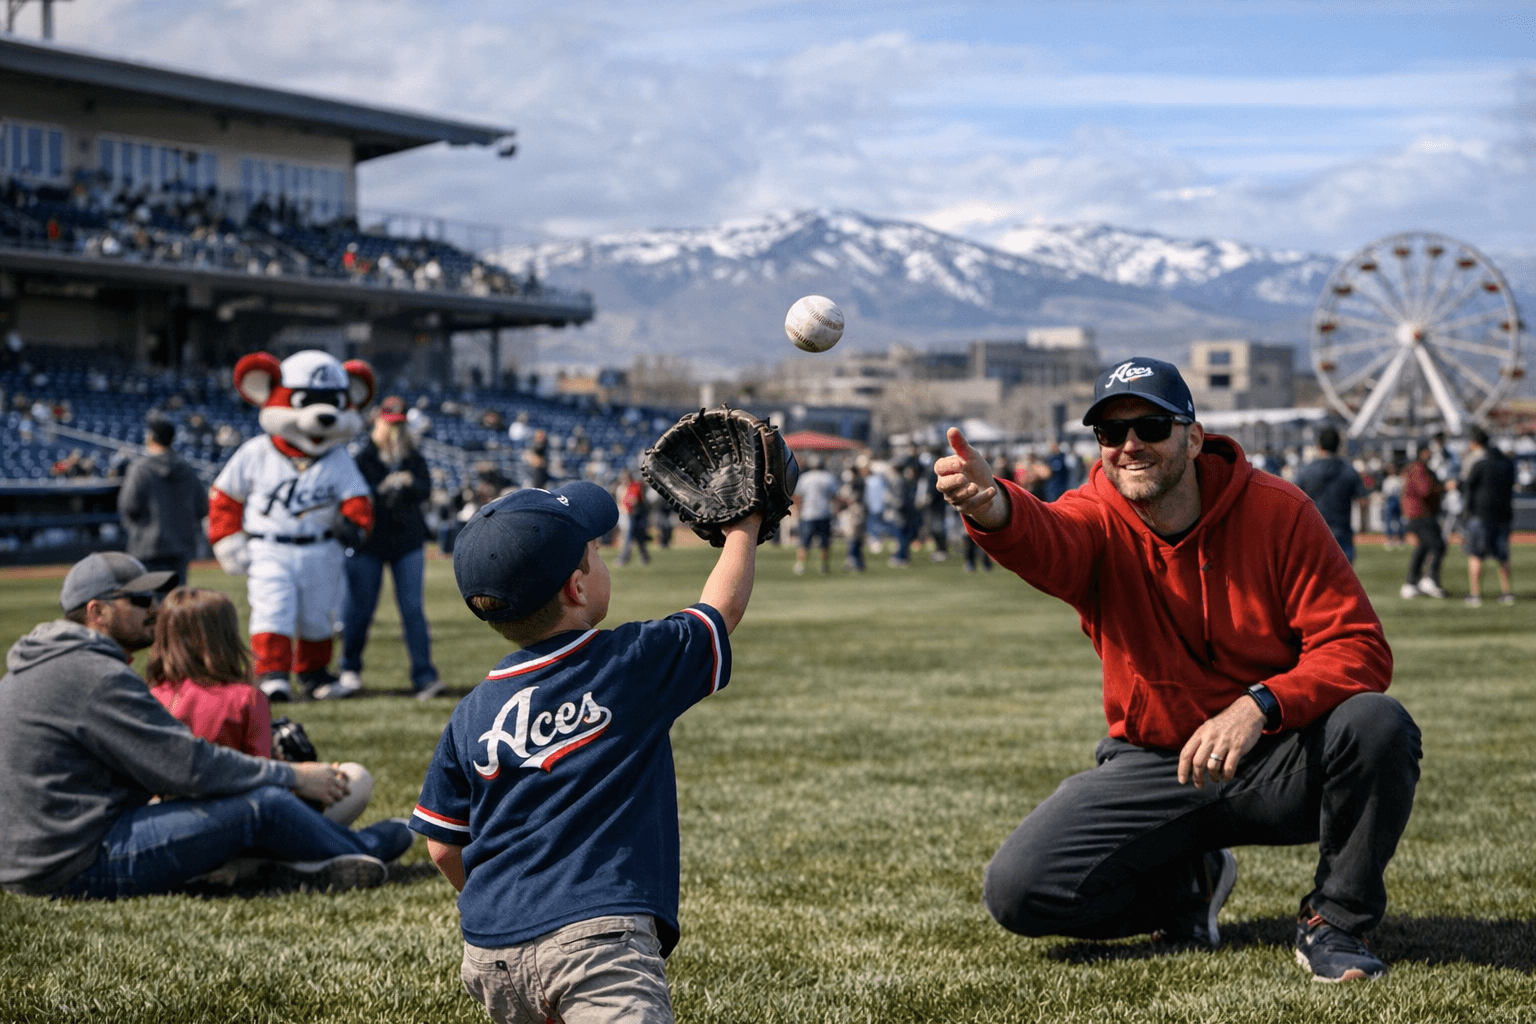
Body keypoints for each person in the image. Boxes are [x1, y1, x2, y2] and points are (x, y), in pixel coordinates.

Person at [935, 356, 1421, 982]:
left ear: (1193, 437)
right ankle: (1190, 889)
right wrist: (993, 505)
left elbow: (1359, 648)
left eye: (1151, 427)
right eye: (1111, 433)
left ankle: (1335, 923)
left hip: (1276, 755)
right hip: (1155, 761)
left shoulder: (1279, 511)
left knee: (1377, 723)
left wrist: (1260, 704)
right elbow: (1047, 536)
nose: (1130, 445)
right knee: (1018, 891)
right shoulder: (1096, 514)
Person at [409, 483, 762, 1024]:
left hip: (490, 952)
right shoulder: (627, 664)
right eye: (595, 554)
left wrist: (504, 907)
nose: (601, 559)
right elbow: (721, 611)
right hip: (600, 942)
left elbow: (441, 847)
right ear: (577, 588)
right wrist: (745, 524)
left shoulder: (471, 712)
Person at [0, 553, 414, 899]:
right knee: (263, 805)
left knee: (256, 803)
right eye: (142, 599)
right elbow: (189, 767)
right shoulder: (92, 674)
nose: (157, 610)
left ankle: (297, 861)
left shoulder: (42, 664)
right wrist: (293, 775)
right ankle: (367, 848)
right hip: (77, 864)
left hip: (39, 857)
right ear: (97, 612)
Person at [146, 586, 374, 825]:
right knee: (356, 778)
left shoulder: (149, 696)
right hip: (238, 823)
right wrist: (308, 775)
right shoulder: (247, 698)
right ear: (226, 637)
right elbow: (262, 780)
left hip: (167, 823)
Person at [331, 397, 441, 700]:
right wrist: (382, 489)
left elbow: (426, 489)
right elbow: (353, 497)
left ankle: (424, 675)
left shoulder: (412, 456)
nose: (395, 431)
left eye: (400, 425)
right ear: (376, 423)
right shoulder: (361, 457)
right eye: (389, 425)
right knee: (360, 608)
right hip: (370, 542)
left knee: (412, 609)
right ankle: (349, 669)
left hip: (407, 540)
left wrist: (407, 483)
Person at [118, 417, 209, 586]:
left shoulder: (140, 469)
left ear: (150, 438)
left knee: (149, 603)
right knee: (175, 602)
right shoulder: (187, 469)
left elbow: (128, 506)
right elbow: (203, 507)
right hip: (180, 546)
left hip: (147, 546)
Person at [1295, 426, 1369, 563]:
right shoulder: (1349, 471)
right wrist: (1363, 525)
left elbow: (1293, 502)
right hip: (1342, 531)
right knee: (1344, 579)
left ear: (1319, 446)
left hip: (1313, 531)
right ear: (1339, 446)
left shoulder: (1306, 471)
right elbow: (1363, 501)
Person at [1461, 427, 1516, 607]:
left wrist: (1466, 512)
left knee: (1476, 554)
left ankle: (1476, 595)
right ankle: (1507, 593)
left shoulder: (1480, 465)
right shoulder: (1508, 466)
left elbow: (1469, 489)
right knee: (1502, 556)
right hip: (1503, 513)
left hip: (1480, 513)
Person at [1400, 445, 1448, 599]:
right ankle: (1429, 579)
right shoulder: (1419, 469)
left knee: (1423, 547)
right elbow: (1425, 489)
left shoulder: (1414, 468)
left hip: (1418, 513)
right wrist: (1441, 487)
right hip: (1421, 514)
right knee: (1437, 545)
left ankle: (1412, 582)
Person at [794, 455, 839, 575]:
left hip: (807, 514)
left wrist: (798, 511)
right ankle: (824, 565)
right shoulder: (828, 477)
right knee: (825, 543)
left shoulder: (804, 478)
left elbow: (798, 496)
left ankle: (800, 565)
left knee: (804, 542)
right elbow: (835, 496)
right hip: (824, 513)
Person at [614, 468, 652, 567]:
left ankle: (643, 557)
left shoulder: (635, 486)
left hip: (636, 515)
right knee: (628, 538)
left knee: (639, 538)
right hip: (627, 516)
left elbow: (635, 500)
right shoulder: (621, 488)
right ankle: (624, 558)